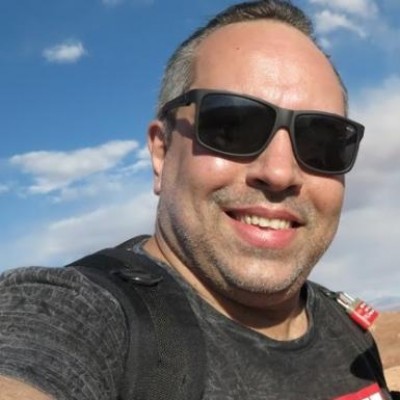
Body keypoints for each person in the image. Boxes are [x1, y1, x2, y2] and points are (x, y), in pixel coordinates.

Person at [0, 1, 394, 399]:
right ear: (161, 151)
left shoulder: (348, 330)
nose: (279, 173)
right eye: (231, 128)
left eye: (322, 140)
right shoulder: (77, 311)